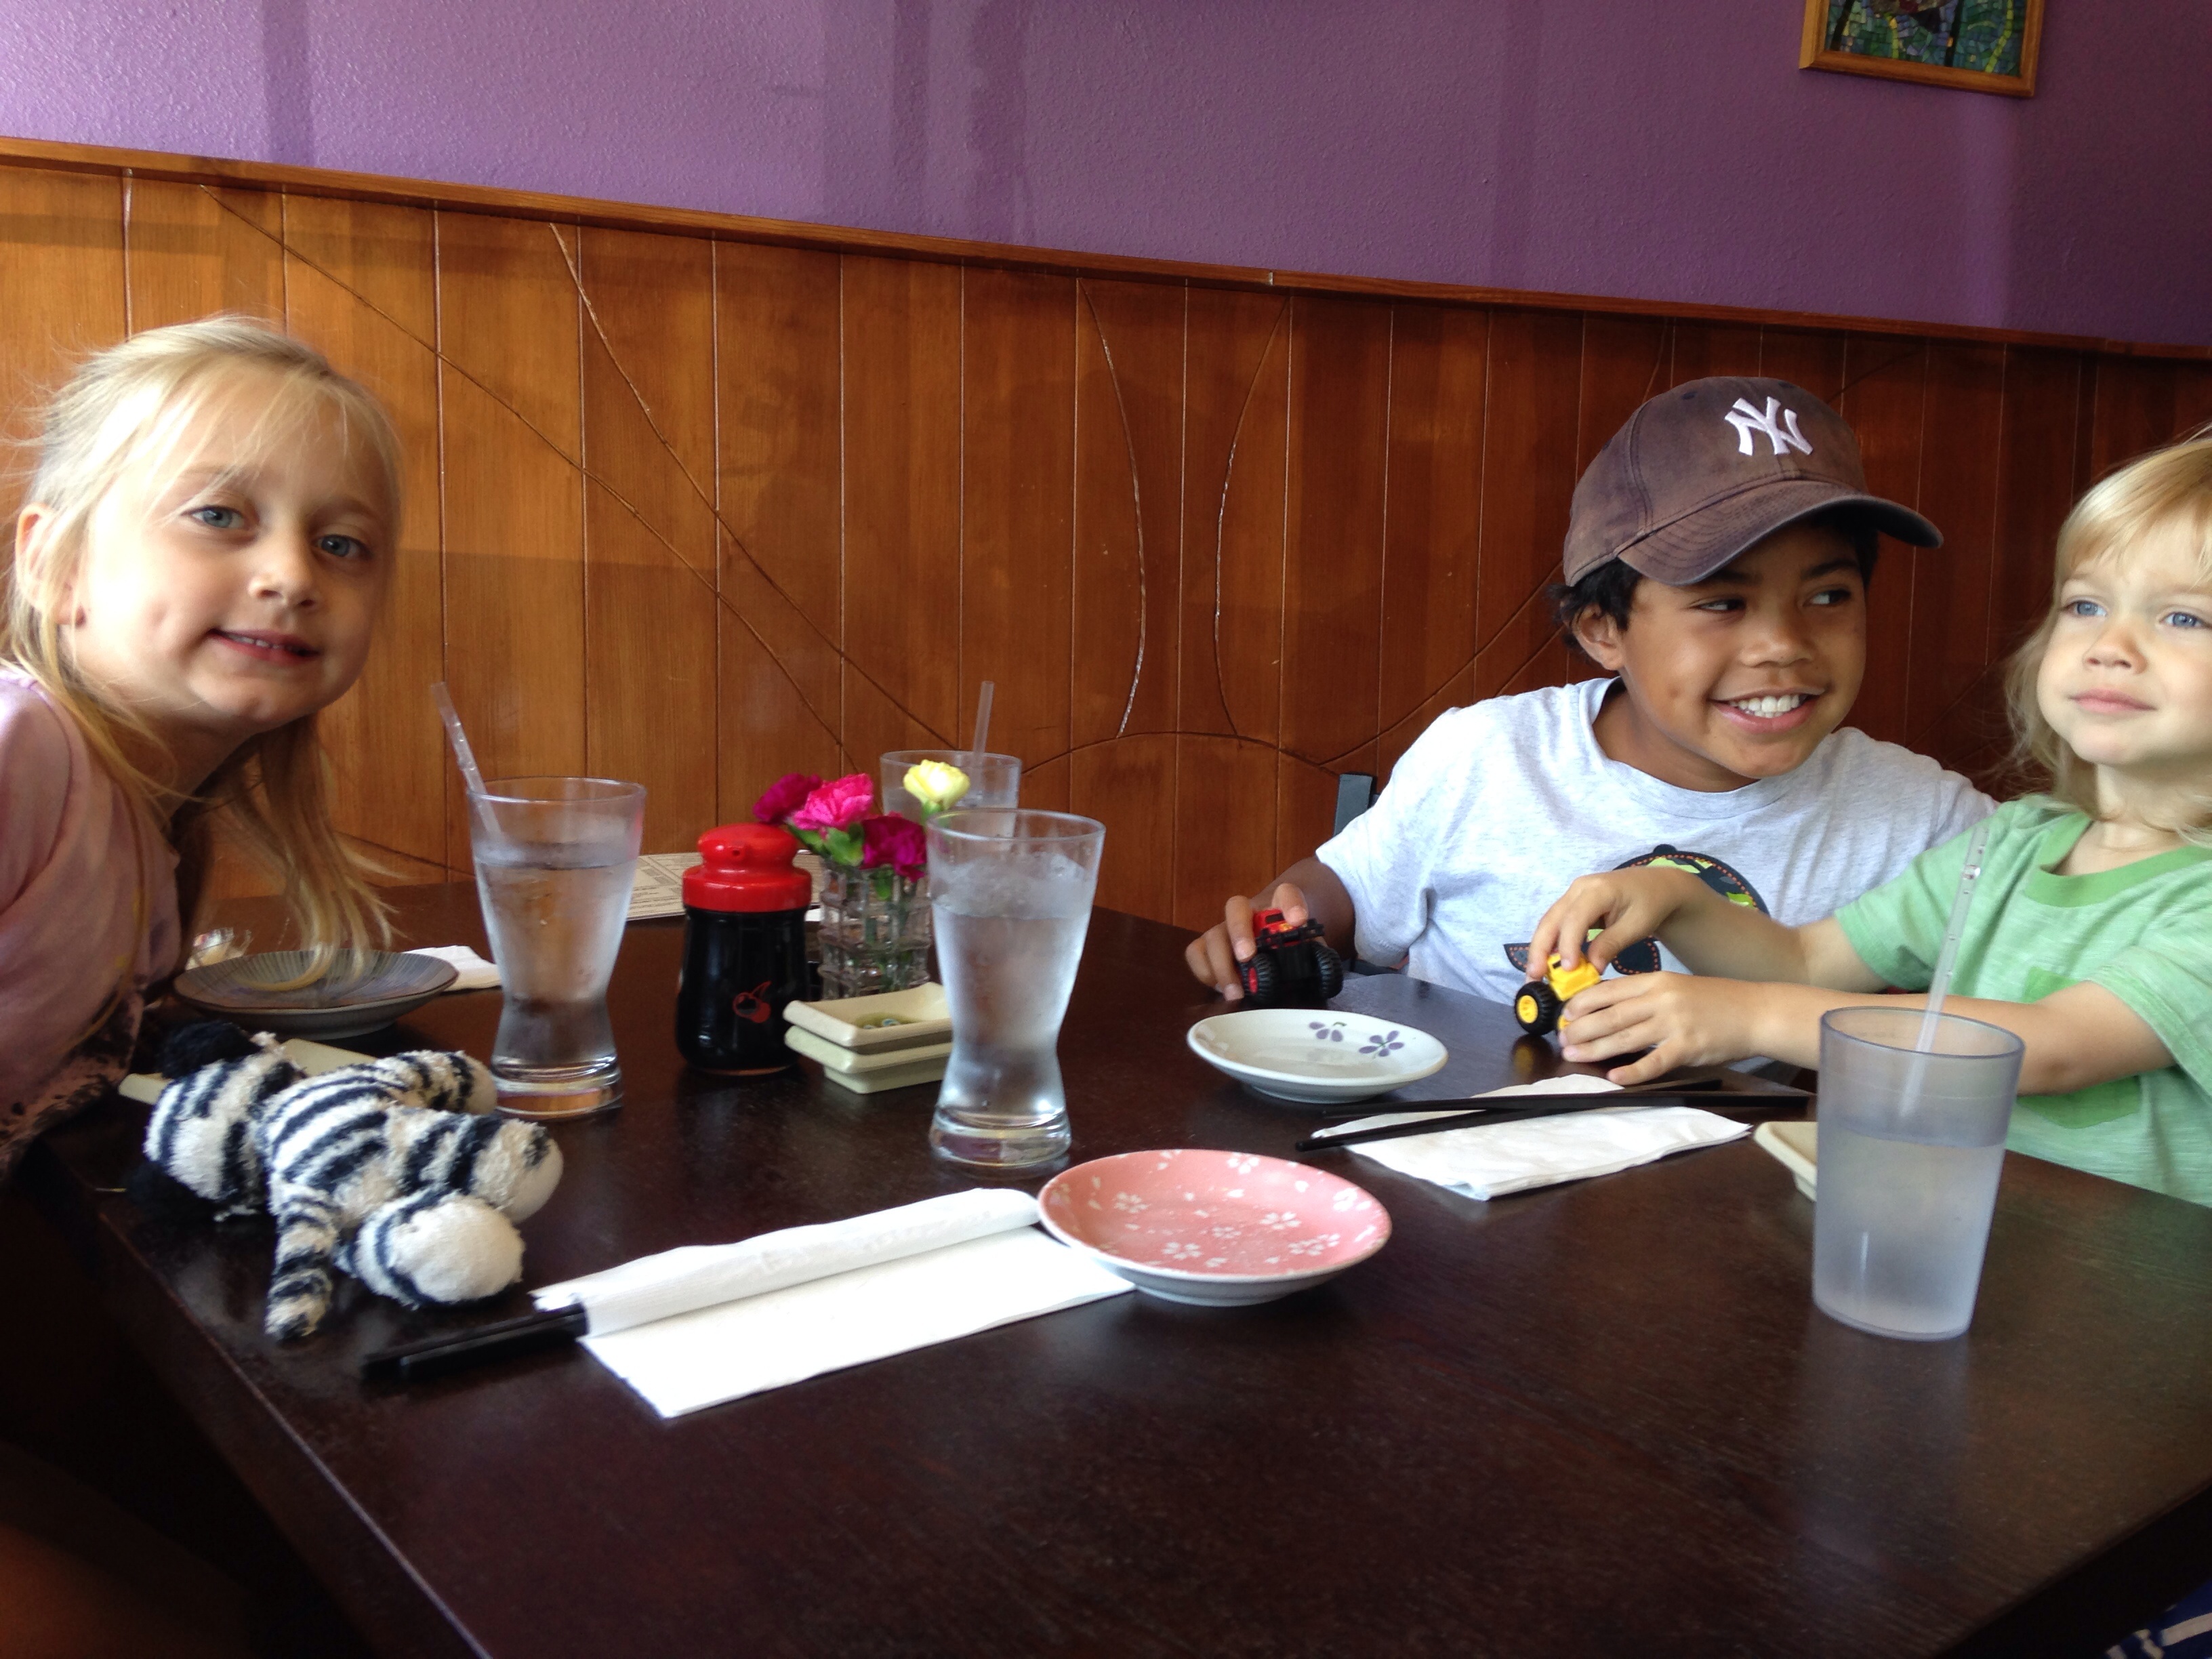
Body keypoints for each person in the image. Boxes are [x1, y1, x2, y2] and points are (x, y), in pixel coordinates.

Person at [1524, 435, 2212, 1208]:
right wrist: (1677, 898)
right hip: (1953, 1240)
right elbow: (1807, 963)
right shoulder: (2012, 843)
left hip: (2127, 1276)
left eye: (2185, 618)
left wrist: (1751, 1017)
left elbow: (2049, 1047)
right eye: (2085, 606)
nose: (2110, 647)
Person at [1185, 377, 1991, 1004]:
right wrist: (1271, 934)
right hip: (1459, 1145)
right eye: (1723, 603)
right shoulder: (1489, 756)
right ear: (1604, 630)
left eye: (1829, 596)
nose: (1783, 644)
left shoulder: (1924, 822)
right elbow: (1347, 893)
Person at [1, 316, 401, 1174]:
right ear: (55, 566)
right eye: (218, 515)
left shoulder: (149, 830)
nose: (293, 576)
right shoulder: (19, 750)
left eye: (340, 544)